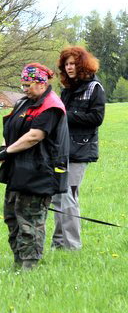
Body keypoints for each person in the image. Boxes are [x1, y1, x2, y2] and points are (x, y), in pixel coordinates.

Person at [0, 63, 69, 270]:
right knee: (12, 218)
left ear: (41, 83)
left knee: (30, 223)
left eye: (28, 84)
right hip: (17, 171)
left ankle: (30, 266)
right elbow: (8, 127)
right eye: (22, 85)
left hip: (39, 172)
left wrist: (9, 151)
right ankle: (18, 263)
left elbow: (34, 136)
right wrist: (3, 148)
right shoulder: (24, 103)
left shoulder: (51, 106)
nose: (24, 89)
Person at [51, 46, 106, 250]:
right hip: (61, 148)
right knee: (58, 195)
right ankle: (58, 244)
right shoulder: (67, 90)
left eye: (73, 63)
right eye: (66, 64)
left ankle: (73, 246)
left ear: (82, 64)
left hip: (80, 151)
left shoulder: (95, 88)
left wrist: (67, 115)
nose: (69, 67)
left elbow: (97, 118)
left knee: (69, 196)